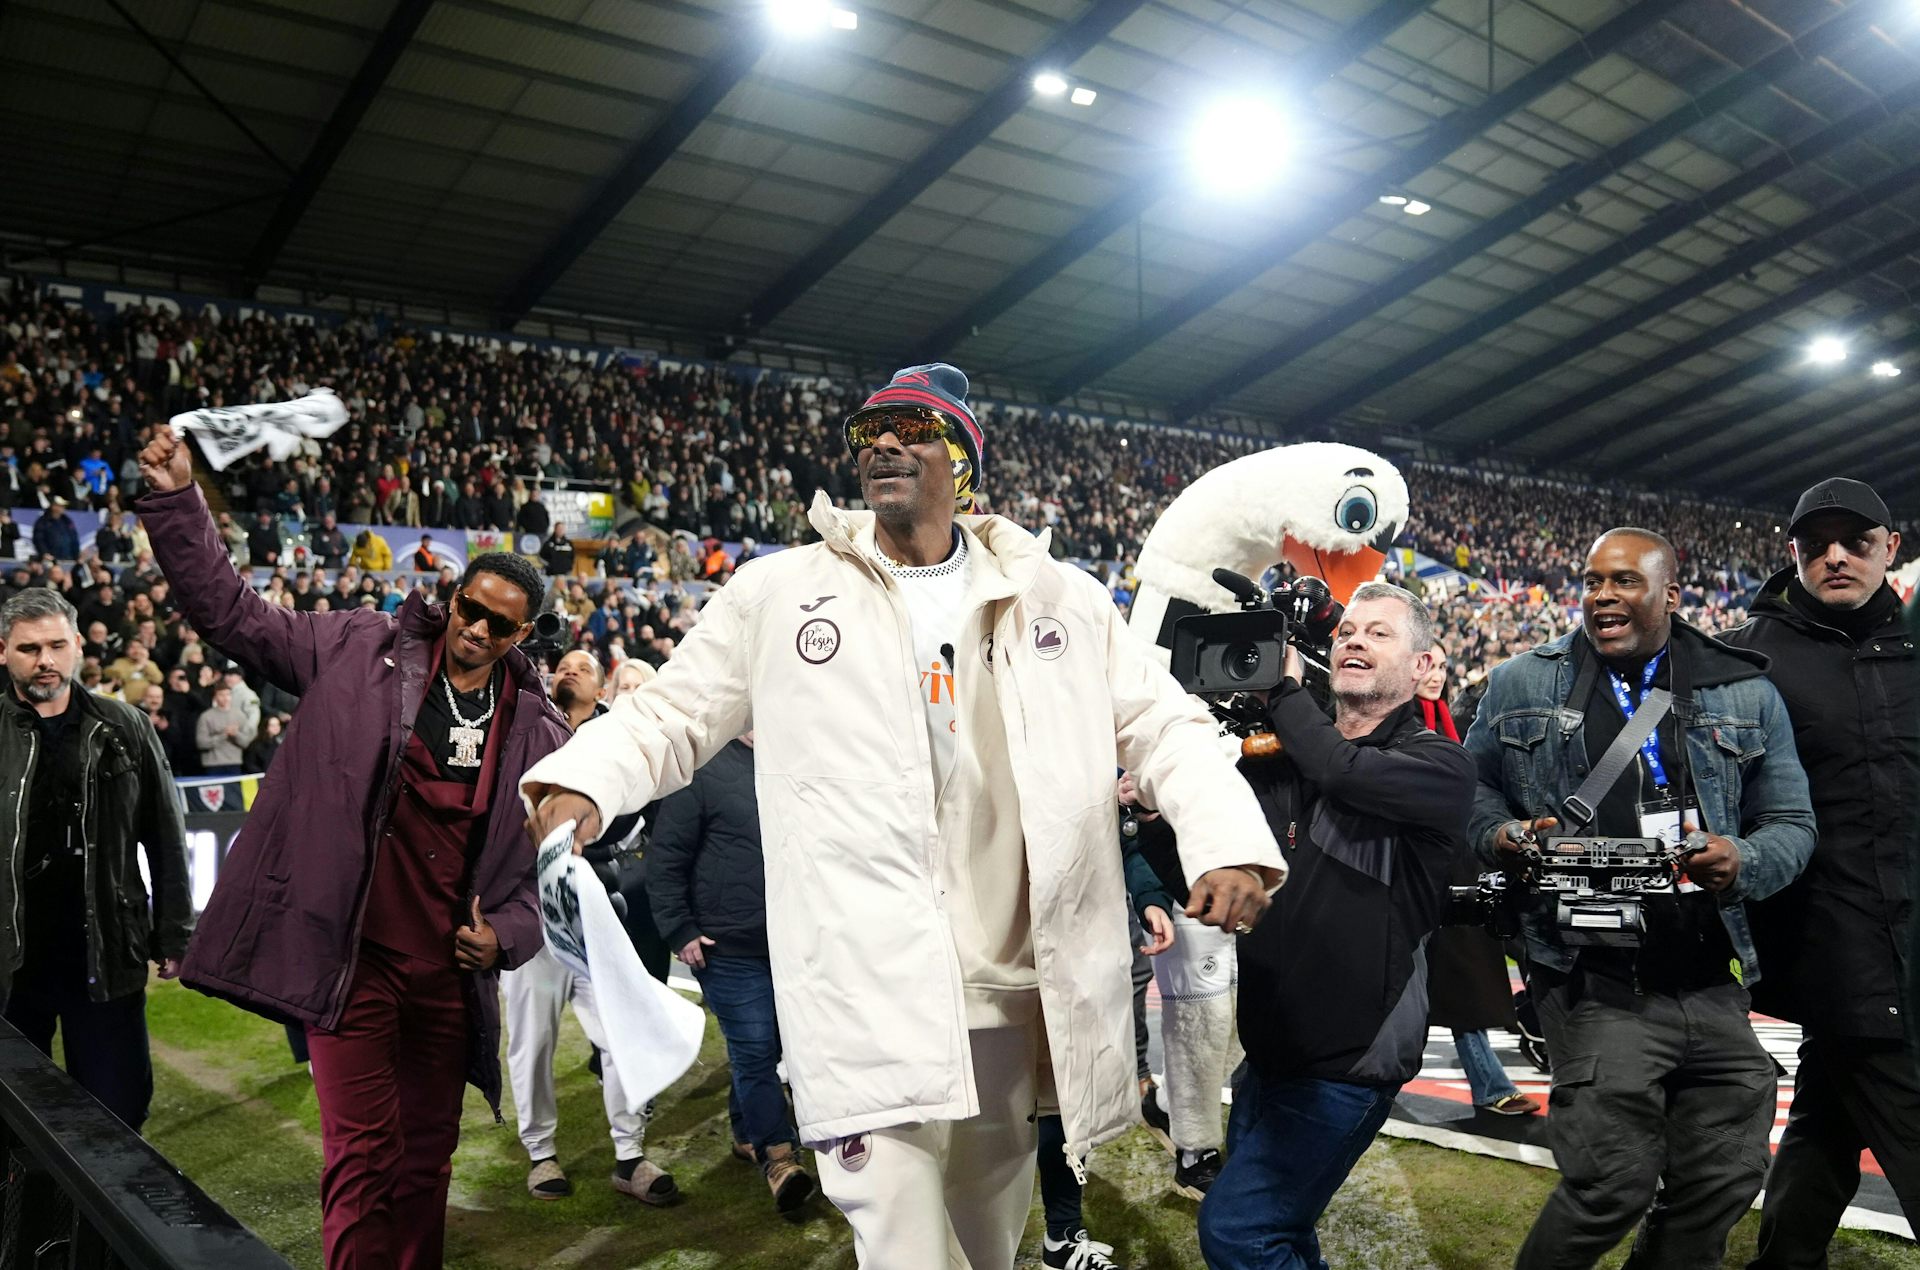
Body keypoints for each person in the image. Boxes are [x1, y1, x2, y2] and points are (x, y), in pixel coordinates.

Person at [522, 363, 1284, 1270]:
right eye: (868, 431)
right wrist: (584, 779)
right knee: (901, 1240)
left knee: (986, 1240)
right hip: (863, 979)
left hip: (1010, 983)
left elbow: (1164, 726)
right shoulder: (781, 594)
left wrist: (1227, 843)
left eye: (912, 427)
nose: (882, 443)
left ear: (962, 458)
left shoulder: (1062, 600)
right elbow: (671, 714)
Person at [134, 428, 571, 1270]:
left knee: (424, 1162)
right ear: (450, 597)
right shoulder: (355, 647)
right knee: (362, 1157)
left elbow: (551, 873)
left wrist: (507, 937)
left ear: (524, 636)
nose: (477, 631)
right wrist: (178, 501)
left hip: (449, 977)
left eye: (501, 625)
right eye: (469, 609)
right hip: (353, 963)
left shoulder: (541, 734)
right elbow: (231, 613)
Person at [1464, 527, 1817, 1270]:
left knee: (1722, 1175)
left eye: (1624, 582)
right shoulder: (1522, 682)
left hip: (1709, 977)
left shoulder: (1743, 691)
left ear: (1670, 594)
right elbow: (1468, 792)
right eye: (1593, 582)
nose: (1602, 596)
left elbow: (1792, 822)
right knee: (1611, 1183)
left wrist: (1742, 859)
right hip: (1593, 973)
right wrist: (1500, 835)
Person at [1195, 584, 1477, 1268]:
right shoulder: (1293, 756)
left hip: (1350, 1062)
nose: (1354, 639)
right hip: (1269, 1051)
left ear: (1423, 668)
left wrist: (1284, 693)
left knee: (1237, 1232)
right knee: (1284, 1233)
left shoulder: (1441, 765)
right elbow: (1221, 843)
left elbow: (1343, 771)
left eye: (1379, 634)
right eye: (1348, 630)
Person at [1717, 479, 1920, 1264]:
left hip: (1906, 940)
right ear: (1791, 551)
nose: (1836, 555)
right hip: (1831, 943)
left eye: (1857, 540)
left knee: (1825, 1122)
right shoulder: (1744, 658)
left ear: (1890, 548)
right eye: (1816, 542)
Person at [0, 588, 189, 1131]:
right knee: (13, 1125)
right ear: (5, 651)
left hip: (106, 951)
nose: (45, 661)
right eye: (29, 648)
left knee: (117, 1115)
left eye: (57, 645)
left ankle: (91, 1223)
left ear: (79, 645)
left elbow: (166, 836)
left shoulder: (125, 726)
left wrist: (175, 934)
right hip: (13, 960)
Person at [503, 649, 676, 1207]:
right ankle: (541, 1154)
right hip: (530, 911)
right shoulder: (519, 729)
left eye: (583, 666)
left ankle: (630, 1154)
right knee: (533, 1038)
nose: (567, 670)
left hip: (592, 909)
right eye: (562, 665)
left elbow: (627, 815)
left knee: (620, 1027)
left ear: (602, 690)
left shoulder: (613, 740)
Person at [648, 730, 820, 1215]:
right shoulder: (703, 769)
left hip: (791, 943)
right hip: (727, 948)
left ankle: (747, 1133)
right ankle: (780, 1158)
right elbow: (667, 856)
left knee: (773, 1049)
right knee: (755, 1049)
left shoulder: (796, 759)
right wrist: (679, 928)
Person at [1419, 642, 1537, 1117]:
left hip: (1456, 869)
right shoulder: (1395, 722)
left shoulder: (1449, 719)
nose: (1436, 673)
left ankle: (1490, 1082)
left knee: (1461, 979)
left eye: (1443, 665)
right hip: (1413, 874)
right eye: (1427, 662)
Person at [193, 682, 255, 776]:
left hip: (234, 763)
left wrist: (235, 734)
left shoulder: (240, 715)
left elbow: (246, 742)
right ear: (215, 697)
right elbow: (201, 743)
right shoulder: (206, 716)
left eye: (228, 694)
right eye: (221, 695)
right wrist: (224, 735)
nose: (225, 698)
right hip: (212, 764)